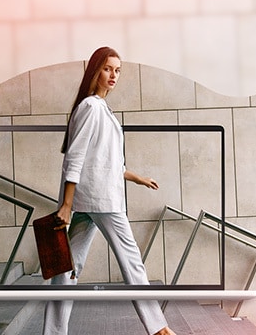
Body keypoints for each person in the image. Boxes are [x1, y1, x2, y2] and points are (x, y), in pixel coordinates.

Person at [42, 47, 176, 335]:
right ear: (95, 71)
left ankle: (53, 332)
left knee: (67, 268)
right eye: (107, 69)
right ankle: (159, 329)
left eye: (117, 70)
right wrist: (66, 205)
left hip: (92, 199)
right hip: (101, 201)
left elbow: (107, 162)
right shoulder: (91, 107)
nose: (113, 75)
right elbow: (75, 157)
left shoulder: (100, 108)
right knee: (132, 262)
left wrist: (138, 178)